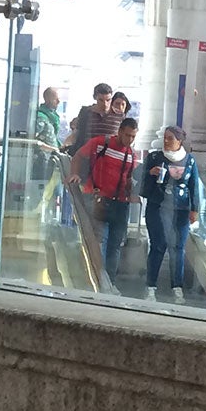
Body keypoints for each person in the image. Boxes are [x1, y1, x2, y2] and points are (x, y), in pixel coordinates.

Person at [139, 125, 200, 303]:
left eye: (170, 138)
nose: (166, 141)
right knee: (158, 245)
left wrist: (194, 209)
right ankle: (150, 287)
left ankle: (177, 287)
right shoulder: (154, 157)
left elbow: (194, 185)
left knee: (178, 248)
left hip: (180, 209)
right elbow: (138, 174)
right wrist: (150, 173)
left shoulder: (189, 160)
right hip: (157, 207)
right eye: (165, 137)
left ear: (179, 141)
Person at [78, 116, 142, 285]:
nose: (130, 139)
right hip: (99, 198)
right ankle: (98, 280)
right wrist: (74, 174)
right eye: (127, 135)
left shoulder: (131, 155)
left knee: (115, 244)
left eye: (133, 136)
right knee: (101, 240)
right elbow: (79, 156)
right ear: (120, 131)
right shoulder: (101, 143)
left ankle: (109, 281)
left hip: (121, 202)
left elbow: (129, 178)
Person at [65, 83, 115, 158]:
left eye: (108, 100)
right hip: (88, 157)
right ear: (95, 98)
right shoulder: (86, 112)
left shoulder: (119, 115)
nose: (105, 104)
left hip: (109, 158)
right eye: (101, 100)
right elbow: (78, 133)